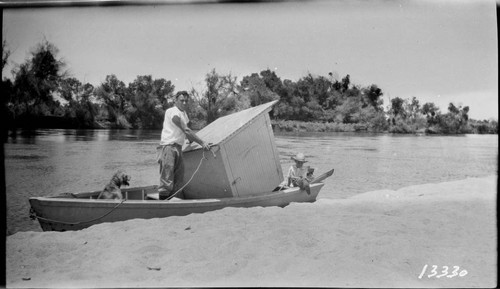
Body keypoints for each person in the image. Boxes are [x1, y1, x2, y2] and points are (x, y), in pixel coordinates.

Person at [157, 91, 210, 200]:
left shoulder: (184, 114)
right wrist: (202, 143)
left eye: (186, 101)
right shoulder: (172, 111)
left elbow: (187, 133)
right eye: (182, 100)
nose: (184, 103)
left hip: (178, 147)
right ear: (175, 101)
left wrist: (191, 141)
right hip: (168, 147)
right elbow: (186, 129)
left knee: (178, 178)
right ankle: (162, 205)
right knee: (167, 178)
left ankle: (173, 202)